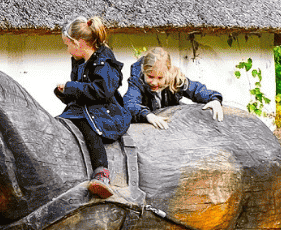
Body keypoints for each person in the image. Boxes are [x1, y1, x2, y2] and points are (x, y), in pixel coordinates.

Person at [53, 16, 131, 198]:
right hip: (85, 108)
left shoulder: (105, 62)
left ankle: (102, 173)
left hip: (106, 111)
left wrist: (71, 87)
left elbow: (102, 92)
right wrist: (65, 92)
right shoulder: (79, 62)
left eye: (67, 45)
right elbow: (84, 91)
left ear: (79, 43)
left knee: (89, 129)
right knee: (60, 124)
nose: (67, 50)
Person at [124, 47, 224, 129]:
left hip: (171, 125)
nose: (154, 82)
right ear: (143, 70)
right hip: (147, 127)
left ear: (168, 73)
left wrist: (214, 99)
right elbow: (130, 103)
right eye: (150, 76)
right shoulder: (137, 81)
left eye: (160, 78)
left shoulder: (176, 79)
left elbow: (196, 90)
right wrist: (147, 115)